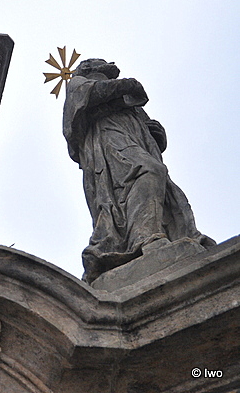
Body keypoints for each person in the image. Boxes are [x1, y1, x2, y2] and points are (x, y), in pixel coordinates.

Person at [63, 58, 214, 283]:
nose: (108, 63)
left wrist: (156, 133)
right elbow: (87, 98)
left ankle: (167, 235)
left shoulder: (125, 100)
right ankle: (145, 238)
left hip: (135, 139)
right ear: (89, 67)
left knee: (161, 185)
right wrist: (126, 85)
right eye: (101, 62)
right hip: (107, 138)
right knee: (148, 171)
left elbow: (145, 123)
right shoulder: (79, 82)